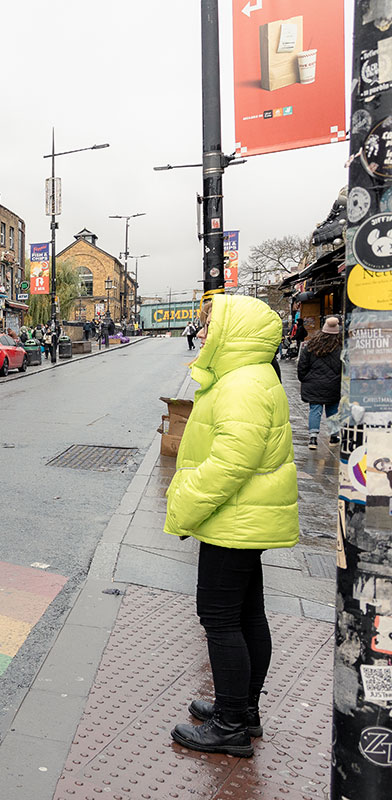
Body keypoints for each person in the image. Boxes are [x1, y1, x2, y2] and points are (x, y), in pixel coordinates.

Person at [165, 294, 298, 759]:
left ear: (230, 334)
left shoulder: (240, 384)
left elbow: (230, 463)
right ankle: (243, 710)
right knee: (246, 614)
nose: (201, 335)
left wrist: (182, 501)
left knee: (220, 619)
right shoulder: (252, 376)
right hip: (244, 517)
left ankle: (229, 726)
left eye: (207, 328)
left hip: (232, 519)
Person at [296, 315, 342, 450]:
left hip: (314, 383)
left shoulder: (311, 345)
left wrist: (304, 378)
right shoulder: (339, 347)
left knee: (315, 410)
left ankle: (313, 438)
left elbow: (302, 365)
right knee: (333, 410)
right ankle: (333, 436)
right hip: (333, 384)